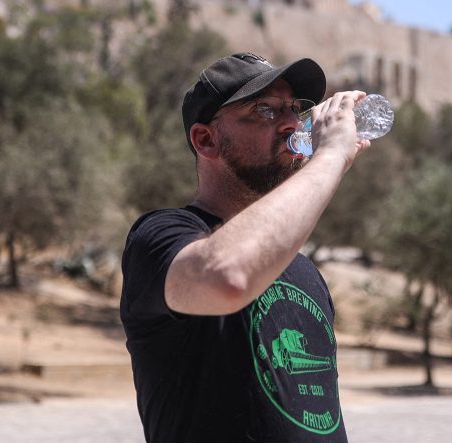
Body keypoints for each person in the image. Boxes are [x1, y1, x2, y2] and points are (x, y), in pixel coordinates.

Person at [120, 52, 370, 442]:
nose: (292, 123)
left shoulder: (305, 272)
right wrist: (332, 154)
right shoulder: (160, 236)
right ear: (206, 140)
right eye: (265, 110)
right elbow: (229, 278)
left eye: (294, 108)